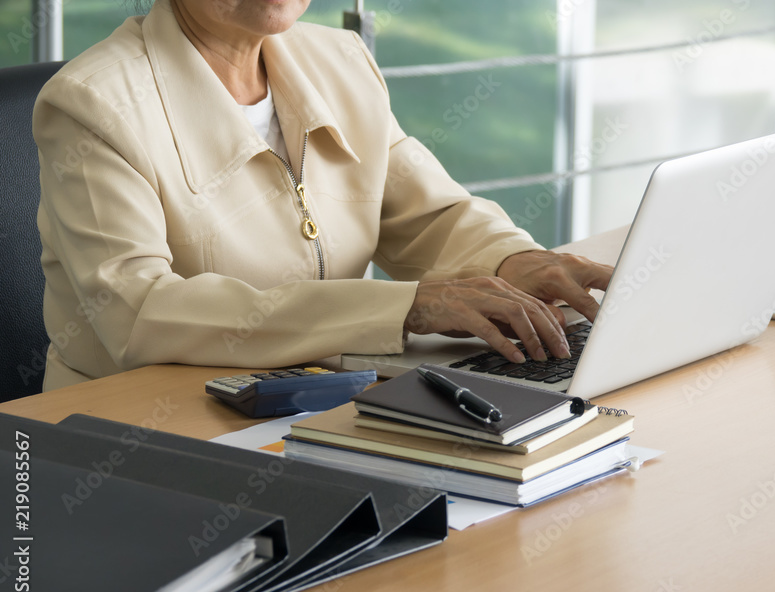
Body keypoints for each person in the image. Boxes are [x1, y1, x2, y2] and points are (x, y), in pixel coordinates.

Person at [34, 0, 613, 391]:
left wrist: (514, 261)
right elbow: (136, 313)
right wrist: (404, 307)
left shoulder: (340, 60)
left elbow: (428, 216)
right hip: (140, 429)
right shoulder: (93, 103)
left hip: (321, 399)